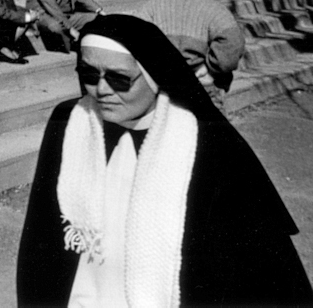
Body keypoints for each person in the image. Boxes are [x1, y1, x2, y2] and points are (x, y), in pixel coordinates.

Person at [16, 15, 313, 307]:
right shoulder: (71, 121)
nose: (101, 90)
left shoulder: (206, 143)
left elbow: (253, 266)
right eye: (90, 74)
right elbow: (42, 235)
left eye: (119, 79)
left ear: (154, 75)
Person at [136, 0, 246, 112]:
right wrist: (211, 69)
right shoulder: (217, 10)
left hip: (159, 86)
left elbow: (134, 36)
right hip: (200, 85)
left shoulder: (153, 5)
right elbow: (231, 49)